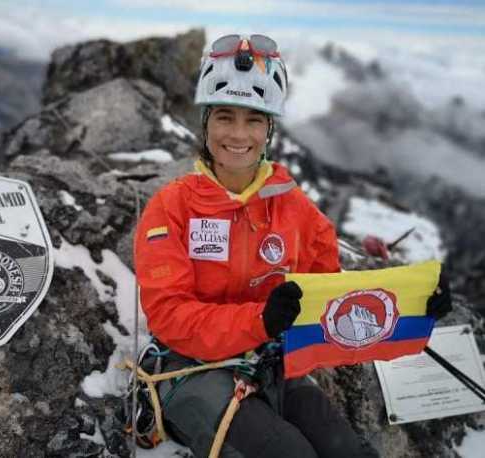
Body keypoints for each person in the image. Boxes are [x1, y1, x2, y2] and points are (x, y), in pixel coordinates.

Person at [133, 34, 451, 458]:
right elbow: (170, 316)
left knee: (345, 450)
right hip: (189, 369)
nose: (238, 134)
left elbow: (331, 303)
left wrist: (410, 304)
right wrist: (260, 320)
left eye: (254, 119)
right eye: (225, 117)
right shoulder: (171, 208)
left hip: (273, 363)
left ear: (270, 129)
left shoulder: (293, 207)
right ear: (205, 122)